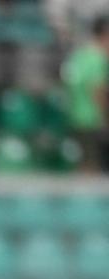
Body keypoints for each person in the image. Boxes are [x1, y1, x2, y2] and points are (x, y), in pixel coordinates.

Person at [63, 16, 109, 171]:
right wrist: (104, 116)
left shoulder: (79, 56)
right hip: (92, 119)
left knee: (82, 164)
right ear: (104, 36)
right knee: (93, 167)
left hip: (75, 115)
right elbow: (97, 89)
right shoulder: (98, 59)